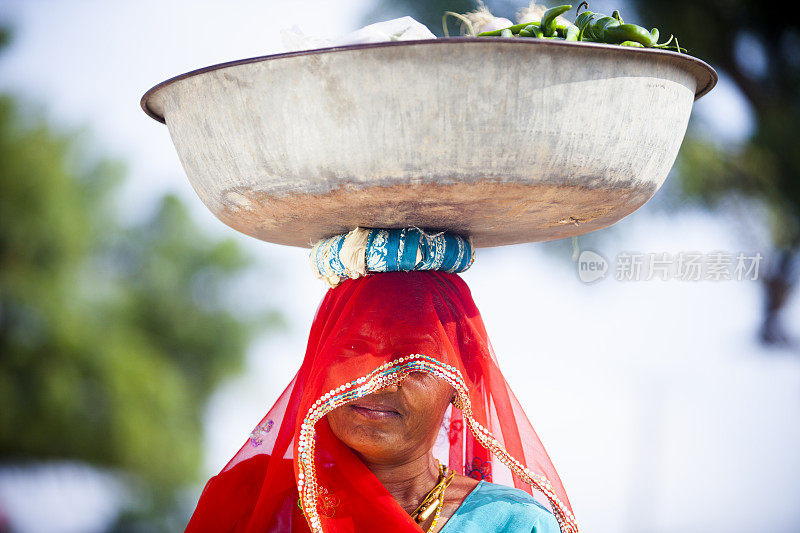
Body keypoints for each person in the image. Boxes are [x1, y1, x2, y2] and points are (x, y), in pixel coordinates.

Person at [186, 230, 578, 533]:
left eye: (413, 358)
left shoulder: (510, 523)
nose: (374, 380)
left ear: (460, 383)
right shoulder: (251, 503)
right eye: (353, 348)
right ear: (318, 364)